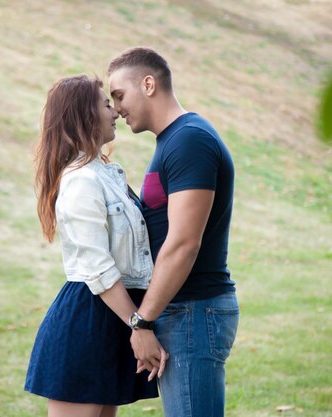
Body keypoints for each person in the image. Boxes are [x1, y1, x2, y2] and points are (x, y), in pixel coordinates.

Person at [107, 47, 239, 417]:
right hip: (182, 311)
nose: (116, 108)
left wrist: (142, 321)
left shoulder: (189, 140)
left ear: (148, 84)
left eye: (119, 94)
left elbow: (183, 243)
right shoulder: (173, 140)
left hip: (193, 311)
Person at [24, 75, 166, 417]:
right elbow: (97, 266)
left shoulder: (106, 173)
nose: (115, 111)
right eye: (105, 104)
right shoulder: (81, 181)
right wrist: (139, 325)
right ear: (83, 116)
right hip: (88, 320)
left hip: (111, 317)